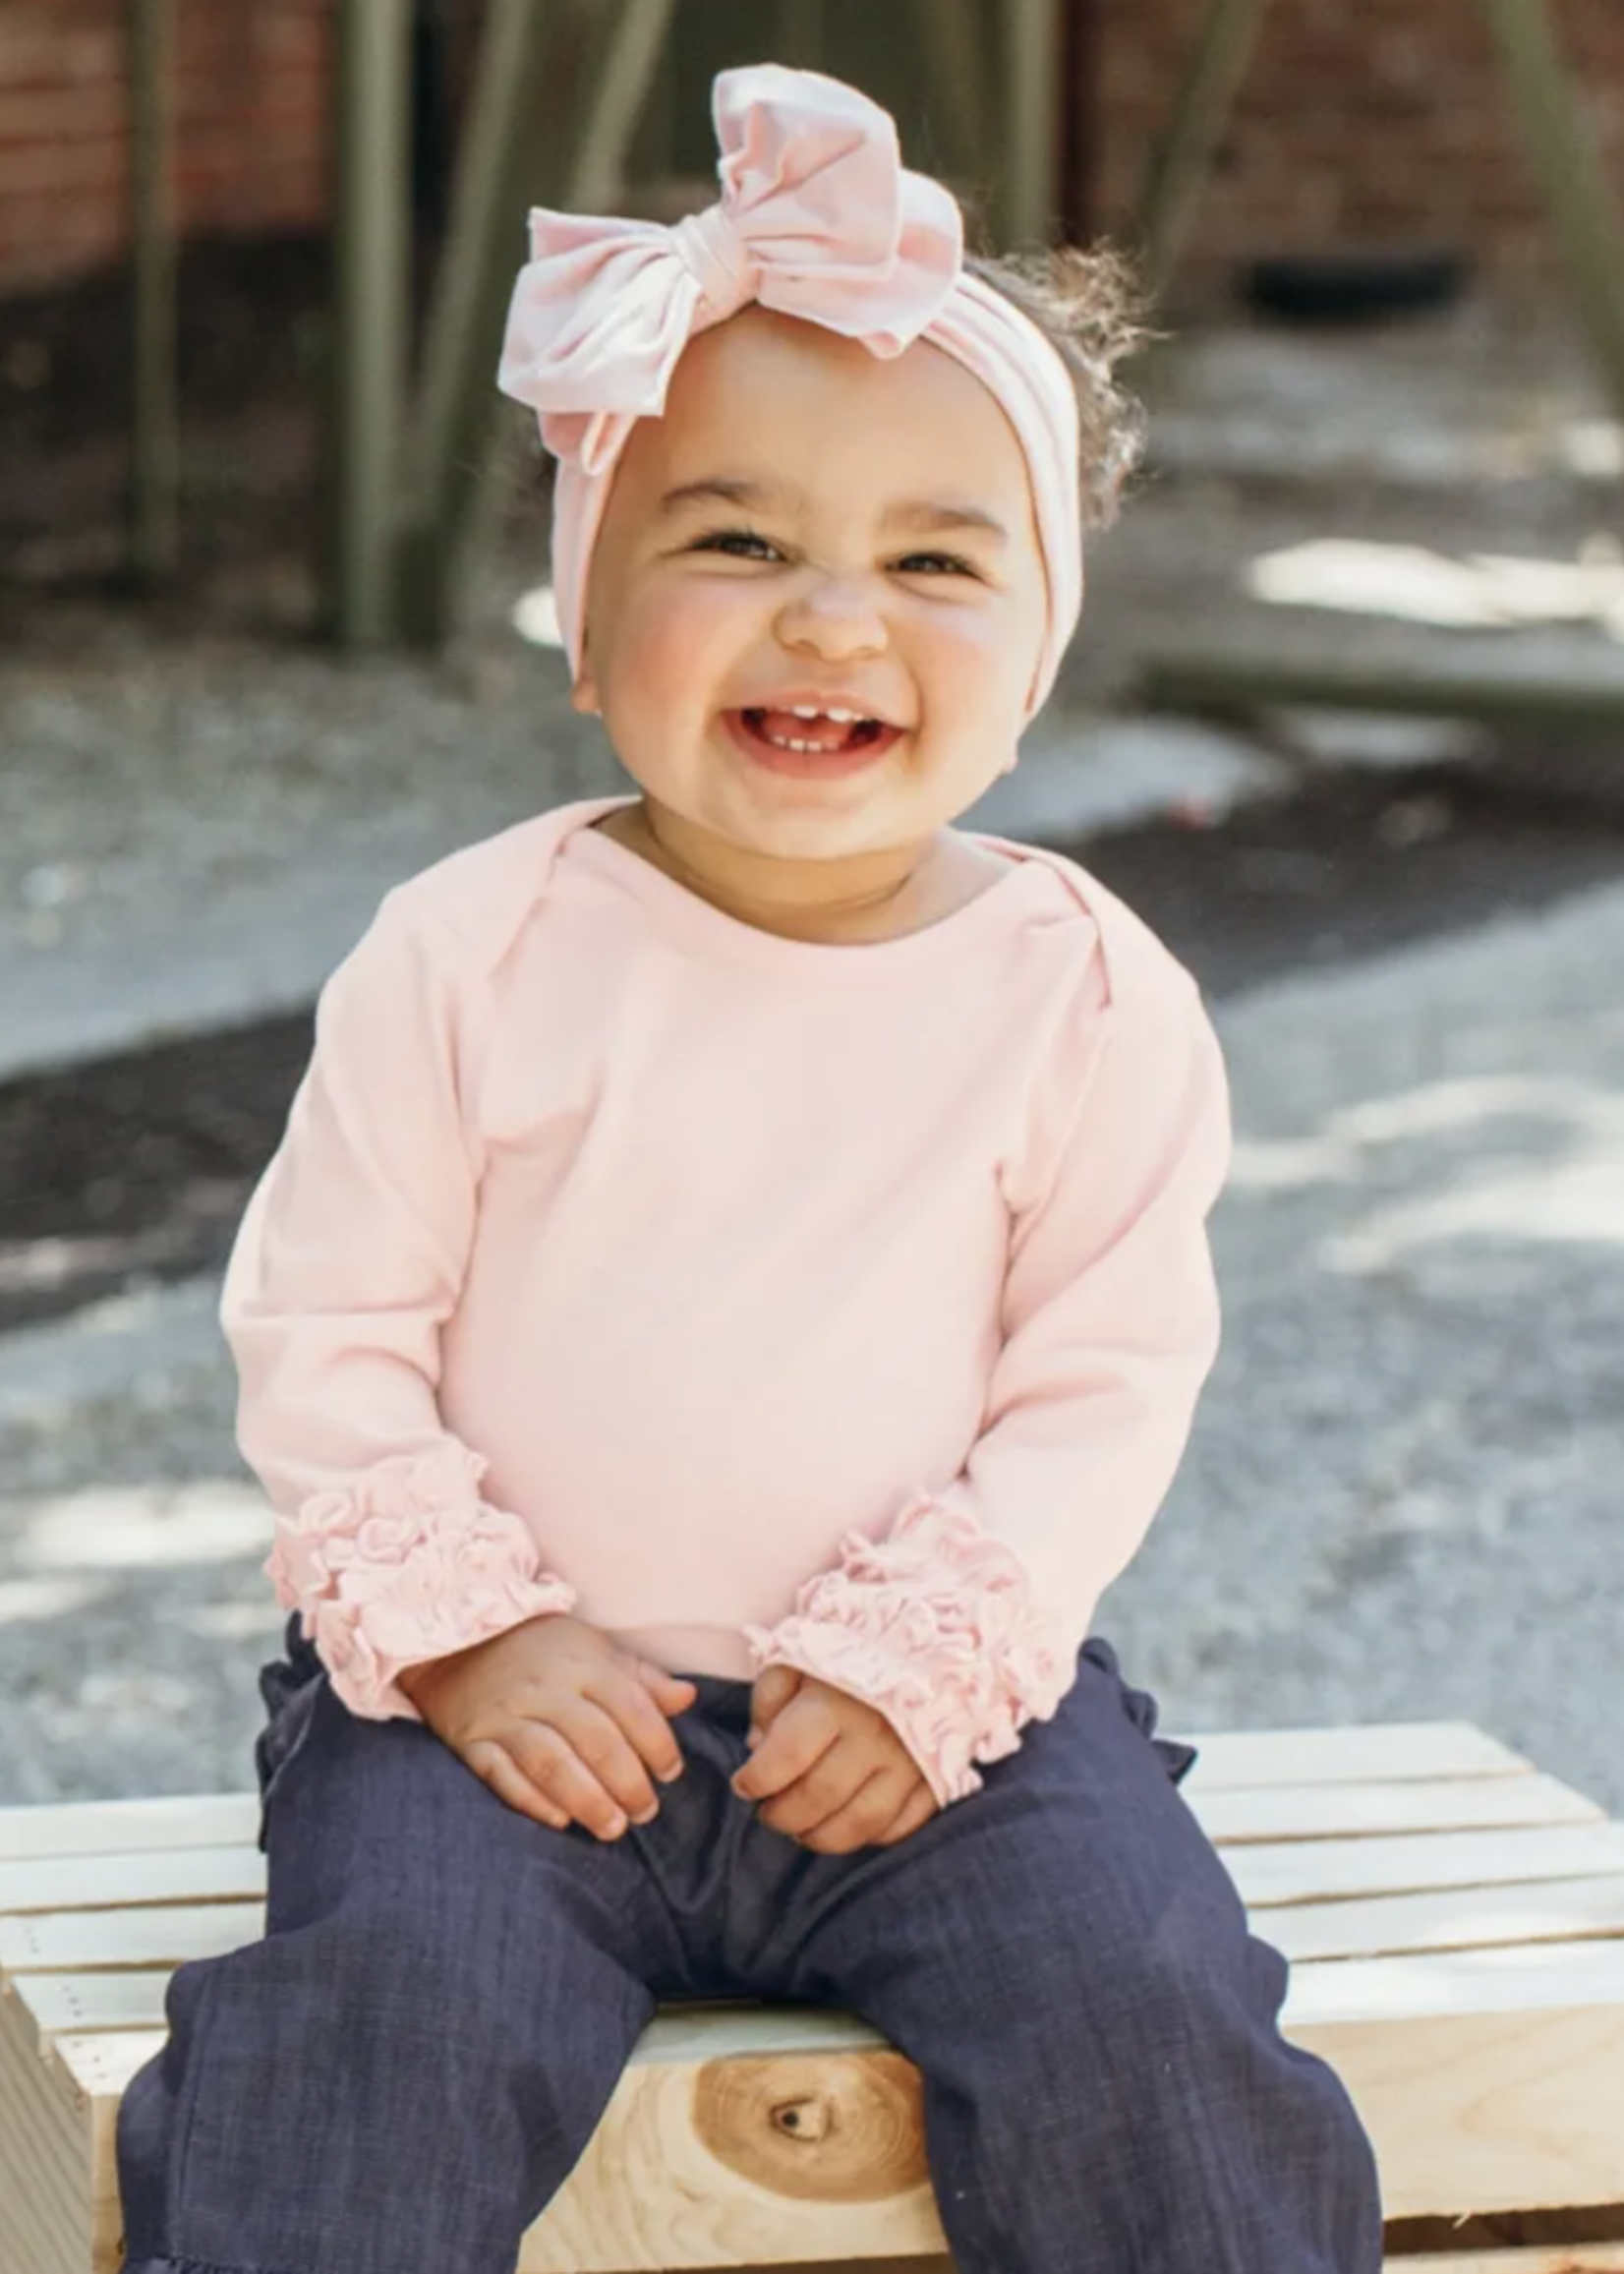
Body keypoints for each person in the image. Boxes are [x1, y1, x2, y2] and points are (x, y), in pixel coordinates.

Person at [115, 62, 1383, 2274]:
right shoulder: (478, 948)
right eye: (731, 539)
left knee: (1148, 2017)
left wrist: (929, 1663)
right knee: (369, 2025)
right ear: (591, 626)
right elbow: (326, 1330)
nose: (827, 616)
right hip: (498, 1719)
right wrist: (479, 1637)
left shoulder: (1078, 994)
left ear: (1033, 656)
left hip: (923, 1724)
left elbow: (1100, 1384)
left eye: (927, 561)